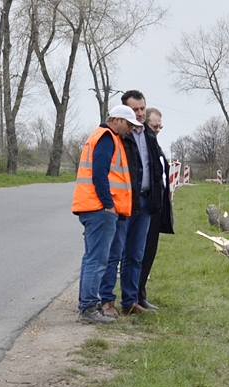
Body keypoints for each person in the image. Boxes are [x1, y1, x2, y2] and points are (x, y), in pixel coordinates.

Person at [99, 90, 165, 317]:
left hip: (146, 204)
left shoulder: (149, 134)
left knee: (136, 255)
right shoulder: (119, 135)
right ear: (126, 110)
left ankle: (131, 301)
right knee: (114, 254)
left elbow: (155, 169)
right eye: (135, 109)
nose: (140, 113)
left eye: (142, 109)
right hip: (123, 204)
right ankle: (107, 301)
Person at [72, 105, 139, 324]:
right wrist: (108, 204)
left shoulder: (107, 137)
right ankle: (89, 309)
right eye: (128, 124)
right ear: (117, 120)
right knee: (98, 259)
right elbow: (99, 174)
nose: (130, 129)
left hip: (96, 207)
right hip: (100, 209)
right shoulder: (106, 138)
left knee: (92, 258)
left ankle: (87, 306)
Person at [137, 107, 174, 310]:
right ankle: (135, 295)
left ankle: (141, 294)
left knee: (149, 252)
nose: (157, 129)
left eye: (160, 126)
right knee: (139, 253)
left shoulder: (155, 145)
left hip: (156, 207)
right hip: (146, 206)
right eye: (154, 126)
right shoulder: (144, 144)